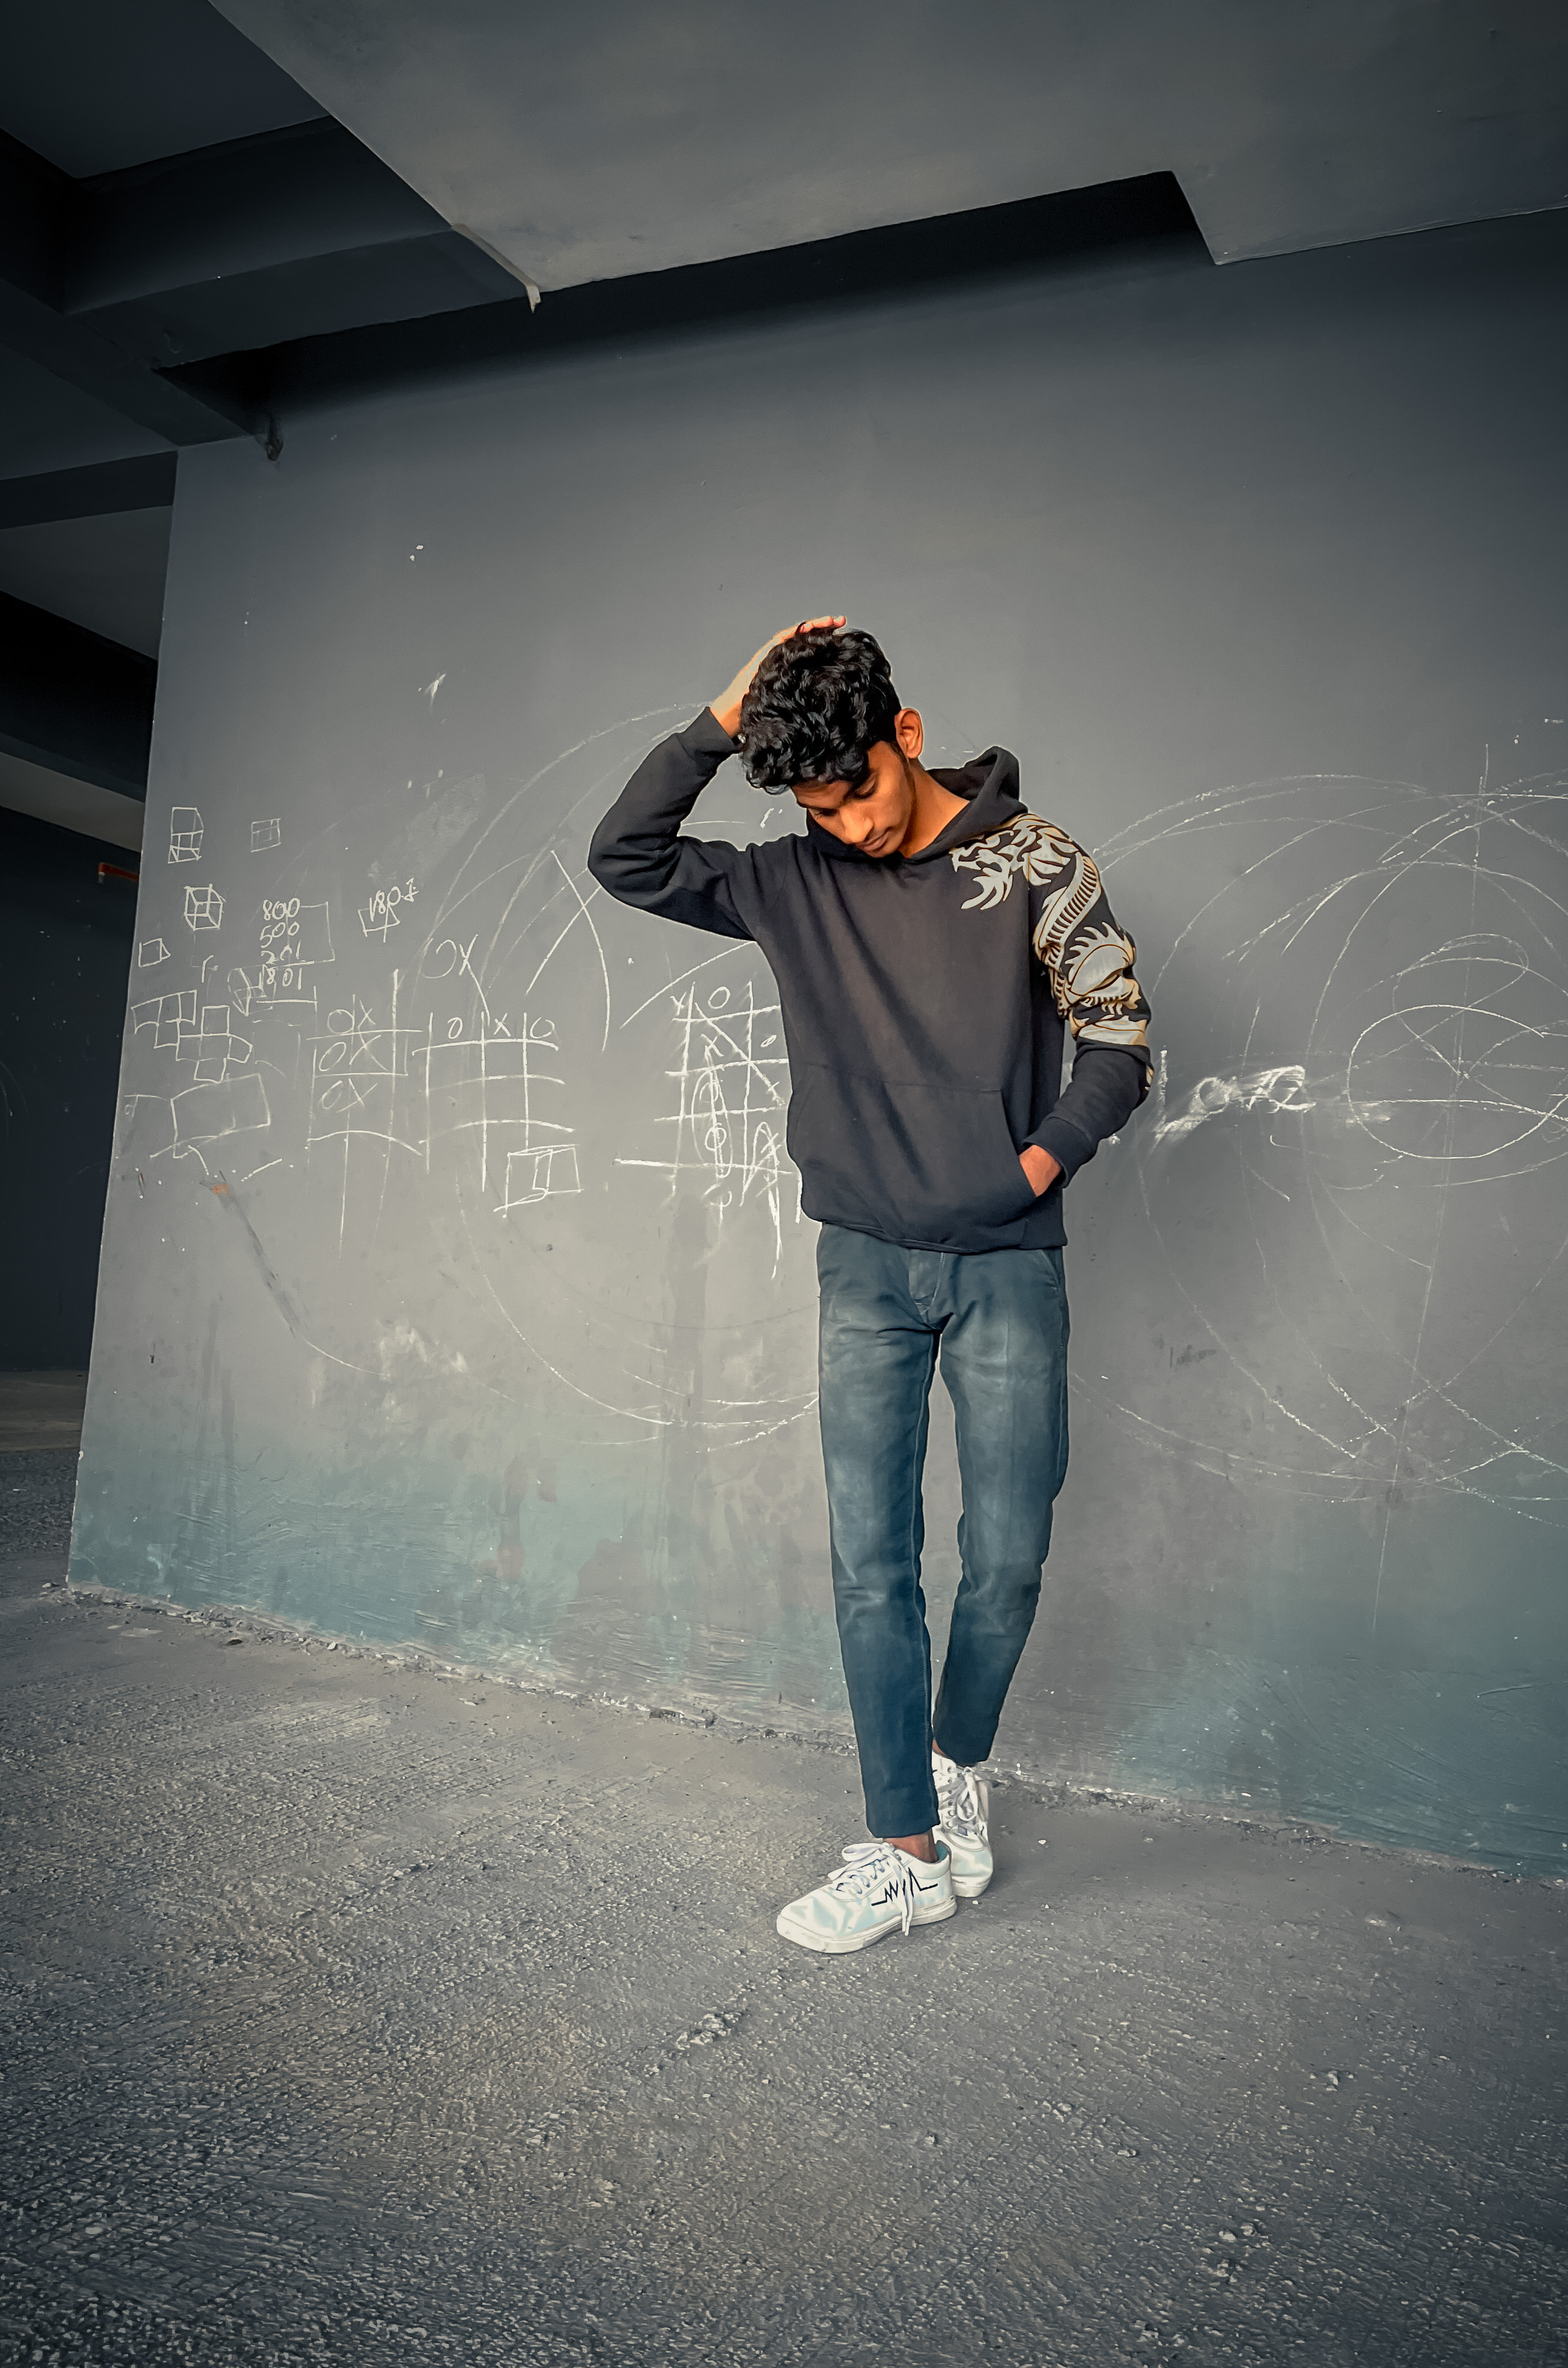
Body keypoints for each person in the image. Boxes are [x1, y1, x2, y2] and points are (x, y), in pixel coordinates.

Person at [588, 620, 1151, 1953]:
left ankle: (956, 1770)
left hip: (1007, 1261)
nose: (848, 826)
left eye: (860, 793)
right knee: (871, 1567)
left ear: (907, 736)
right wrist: (723, 717)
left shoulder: (1037, 862)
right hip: (863, 1266)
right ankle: (902, 1845)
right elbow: (626, 858)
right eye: (818, 808)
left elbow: (1121, 1042)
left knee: (1007, 1560)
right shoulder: (789, 881)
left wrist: (1031, 1167)